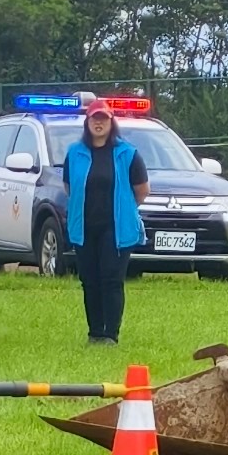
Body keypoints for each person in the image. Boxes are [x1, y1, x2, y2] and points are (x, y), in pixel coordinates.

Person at [62, 98, 149, 346]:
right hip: (85, 227)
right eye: (94, 119)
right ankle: (95, 332)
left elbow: (142, 190)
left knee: (111, 279)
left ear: (111, 122)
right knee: (89, 280)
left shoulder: (127, 154)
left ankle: (111, 334)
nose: (98, 123)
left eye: (103, 119)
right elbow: (69, 187)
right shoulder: (74, 153)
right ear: (87, 122)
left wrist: (124, 208)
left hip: (117, 228)